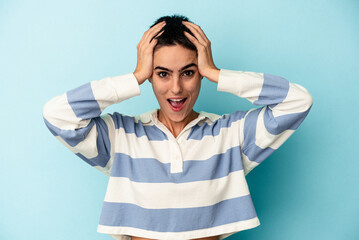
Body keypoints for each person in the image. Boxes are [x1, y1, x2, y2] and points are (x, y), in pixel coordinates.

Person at [42, 14, 313, 240]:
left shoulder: (230, 134)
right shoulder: (121, 137)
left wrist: (217, 73)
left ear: (200, 74)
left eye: (188, 72)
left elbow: (298, 101)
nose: (176, 88)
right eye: (162, 74)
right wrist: (133, 78)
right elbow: (57, 115)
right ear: (150, 76)